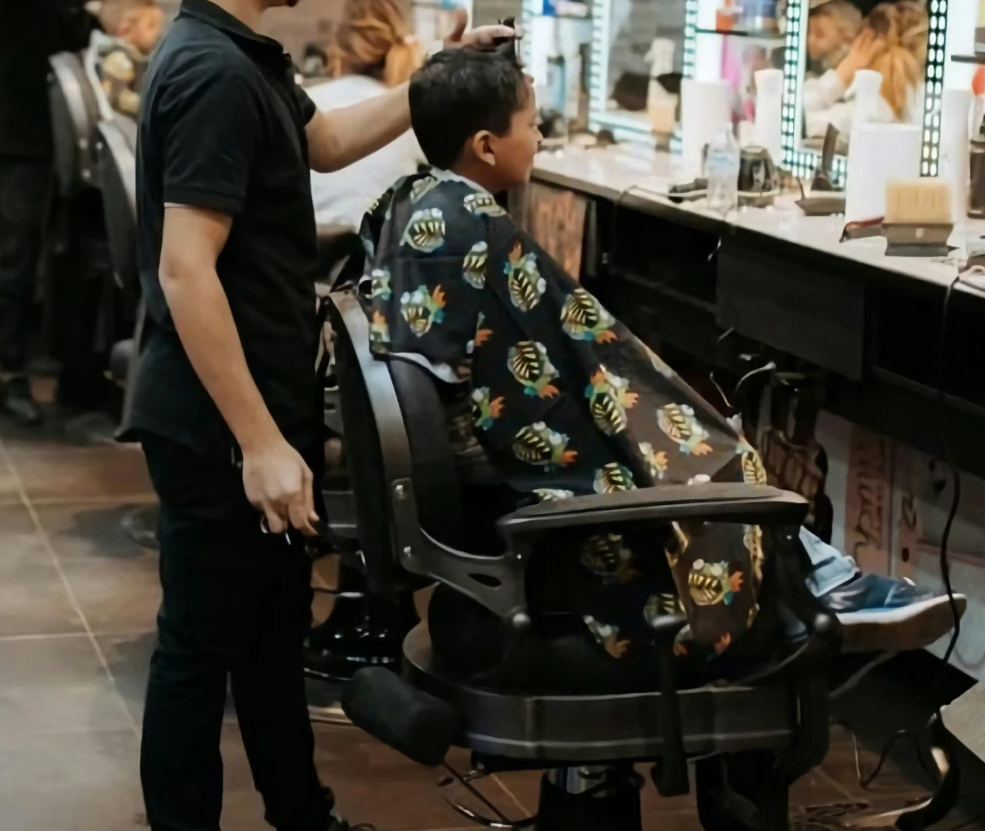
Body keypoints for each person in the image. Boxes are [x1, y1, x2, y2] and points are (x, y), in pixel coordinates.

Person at [126, 0, 512, 831]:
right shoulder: (203, 73)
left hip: (253, 400)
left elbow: (327, 137)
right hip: (214, 417)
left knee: (265, 637)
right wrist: (258, 442)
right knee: (201, 648)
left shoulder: (240, 52)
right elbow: (185, 271)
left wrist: (432, 73)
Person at [362, 47, 949, 687]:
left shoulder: (417, 206)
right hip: (528, 516)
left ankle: (824, 581)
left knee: (690, 432)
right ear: (485, 145)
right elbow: (563, 350)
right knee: (703, 453)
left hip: (488, 497)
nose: (541, 134)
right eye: (530, 123)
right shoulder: (470, 226)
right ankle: (810, 598)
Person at [0, 0, 116, 426]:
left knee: (72, 262)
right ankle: (9, 377)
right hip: (15, 140)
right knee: (17, 262)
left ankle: (77, 376)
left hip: (66, 148)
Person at [306, 0, 427, 239]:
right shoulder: (409, 113)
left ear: (338, 48)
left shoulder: (304, 105)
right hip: (383, 262)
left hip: (307, 260)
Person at [801, 0, 925, 142]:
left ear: (866, 43)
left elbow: (792, 119)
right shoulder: (920, 100)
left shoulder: (869, 110)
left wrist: (839, 78)